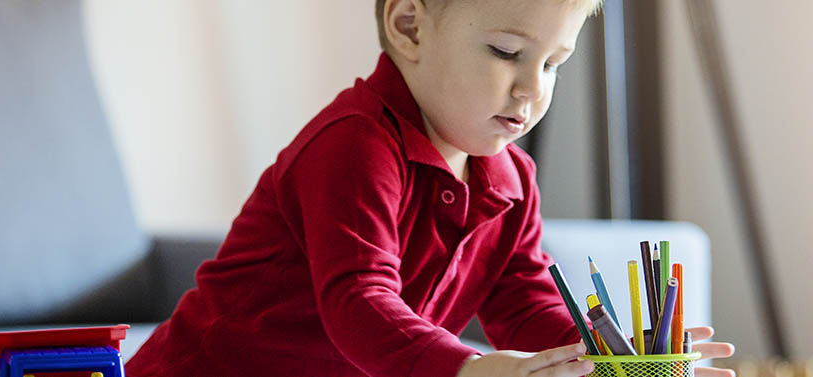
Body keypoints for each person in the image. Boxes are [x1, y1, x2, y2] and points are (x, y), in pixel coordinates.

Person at [125, 0, 736, 376]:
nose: (533, 90)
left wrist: (611, 361)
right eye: (507, 52)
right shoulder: (353, 146)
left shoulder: (512, 180)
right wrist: (468, 369)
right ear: (410, 26)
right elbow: (360, 303)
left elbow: (523, 301)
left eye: (553, 64)